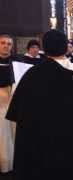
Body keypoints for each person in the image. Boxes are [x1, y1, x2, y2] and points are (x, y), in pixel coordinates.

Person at [5, 30, 73, 180]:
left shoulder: (30, 77)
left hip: (40, 153)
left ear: (44, 48)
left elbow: (18, 113)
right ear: (65, 47)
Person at [0, 34, 15, 173]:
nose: (6, 46)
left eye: (9, 44)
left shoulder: (16, 62)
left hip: (13, 99)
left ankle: (12, 162)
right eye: (3, 43)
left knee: (12, 134)